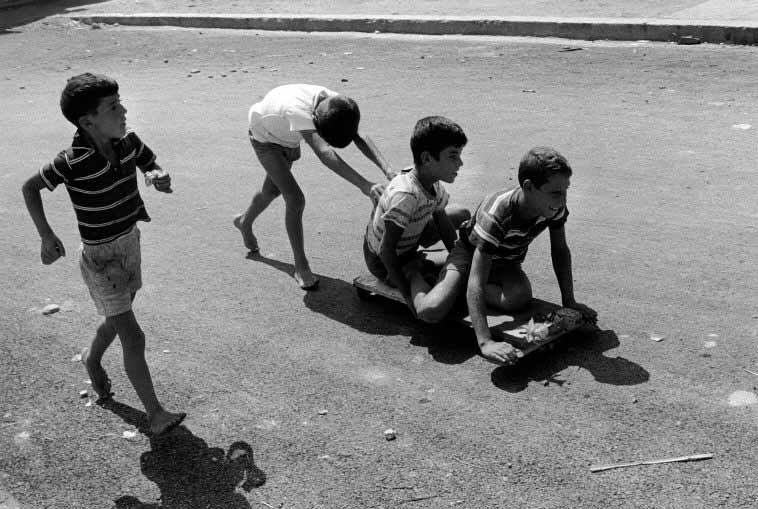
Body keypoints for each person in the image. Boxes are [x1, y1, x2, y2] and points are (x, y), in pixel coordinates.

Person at [21, 73, 185, 435]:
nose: (124, 111)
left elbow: (152, 165)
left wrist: (158, 176)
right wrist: (46, 236)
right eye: (113, 107)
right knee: (133, 335)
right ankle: (155, 415)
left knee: (117, 318)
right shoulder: (72, 160)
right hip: (100, 259)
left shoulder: (128, 143)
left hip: (130, 243)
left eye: (120, 102)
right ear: (87, 121)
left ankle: (91, 358)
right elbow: (30, 188)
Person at [234, 84, 395, 290]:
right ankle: (301, 266)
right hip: (265, 139)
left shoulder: (335, 102)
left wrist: (388, 170)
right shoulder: (297, 112)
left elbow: (358, 134)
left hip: (286, 138)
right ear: (316, 124)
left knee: (272, 190)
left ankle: (244, 221)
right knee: (295, 199)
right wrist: (365, 185)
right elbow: (324, 152)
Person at [461, 146, 597, 364]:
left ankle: (464, 287)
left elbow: (560, 250)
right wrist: (485, 342)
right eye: (555, 192)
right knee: (511, 295)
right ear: (529, 187)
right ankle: (460, 282)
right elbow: (478, 278)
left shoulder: (552, 206)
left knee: (518, 295)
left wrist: (569, 301)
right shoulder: (498, 213)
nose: (562, 199)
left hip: (506, 261)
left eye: (565, 190)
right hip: (473, 257)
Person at [363, 116, 471, 322]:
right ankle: (414, 271)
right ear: (427, 158)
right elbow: (386, 251)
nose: (460, 163)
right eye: (453, 156)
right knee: (426, 301)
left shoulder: (432, 181)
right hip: (384, 261)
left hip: (408, 242)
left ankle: (421, 263)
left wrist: (458, 257)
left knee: (460, 215)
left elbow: (444, 224)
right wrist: (407, 295)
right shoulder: (406, 195)